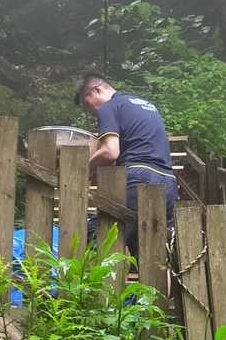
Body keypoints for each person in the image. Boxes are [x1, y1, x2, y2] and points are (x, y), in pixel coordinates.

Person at [75, 74, 177, 255]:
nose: (89, 112)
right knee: (152, 251)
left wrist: (83, 171)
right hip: (168, 182)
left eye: (86, 104)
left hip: (138, 178)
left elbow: (110, 151)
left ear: (96, 90)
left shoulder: (110, 107)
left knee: (99, 235)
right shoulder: (147, 106)